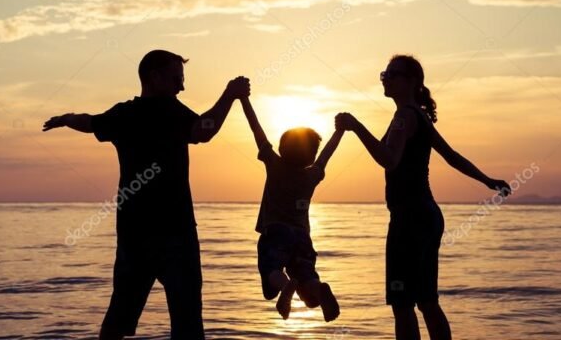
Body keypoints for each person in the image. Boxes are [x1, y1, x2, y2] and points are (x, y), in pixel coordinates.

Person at [43, 49, 250, 340]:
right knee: (187, 322)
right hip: (174, 233)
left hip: (133, 234)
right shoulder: (170, 110)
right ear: (154, 77)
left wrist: (65, 118)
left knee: (119, 318)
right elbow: (205, 130)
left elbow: (89, 122)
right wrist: (229, 94)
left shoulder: (123, 114)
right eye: (177, 79)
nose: (182, 86)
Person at [335, 54, 511, 340]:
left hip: (410, 219)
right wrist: (488, 181)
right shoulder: (417, 115)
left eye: (393, 75)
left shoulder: (406, 116)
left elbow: (389, 159)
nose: (386, 79)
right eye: (384, 75)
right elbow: (452, 157)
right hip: (427, 217)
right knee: (426, 300)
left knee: (403, 303)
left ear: (412, 81)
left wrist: (356, 127)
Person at [239, 94, 343, 322]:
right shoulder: (312, 175)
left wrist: (244, 99)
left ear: (281, 148)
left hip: (276, 232)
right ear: (311, 156)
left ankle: (286, 286)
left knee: (271, 272)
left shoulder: (274, 165)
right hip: (302, 238)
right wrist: (340, 131)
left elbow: (256, 128)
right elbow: (327, 154)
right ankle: (318, 288)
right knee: (308, 286)